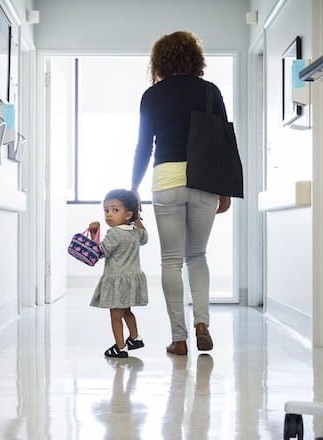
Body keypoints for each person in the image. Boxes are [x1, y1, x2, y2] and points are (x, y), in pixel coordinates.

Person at [131, 31, 232, 356]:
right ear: (194, 58)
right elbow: (222, 140)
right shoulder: (210, 91)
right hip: (204, 180)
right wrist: (225, 187)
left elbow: (144, 146)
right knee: (197, 256)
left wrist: (133, 189)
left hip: (167, 180)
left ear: (160, 61)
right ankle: (203, 323)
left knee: (171, 261)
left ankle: (179, 338)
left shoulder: (152, 96)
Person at [89, 189, 149, 358]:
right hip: (131, 280)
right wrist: (137, 220)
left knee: (115, 316)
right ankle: (135, 338)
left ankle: (120, 347)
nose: (109, 214)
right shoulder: (135, 231)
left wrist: (94, 234)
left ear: (128, 214)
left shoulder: (114, 233)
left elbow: (99, 252)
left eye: (115, 210)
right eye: (106, 210)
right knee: (127, 311)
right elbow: (145, 238)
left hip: (117, 280)